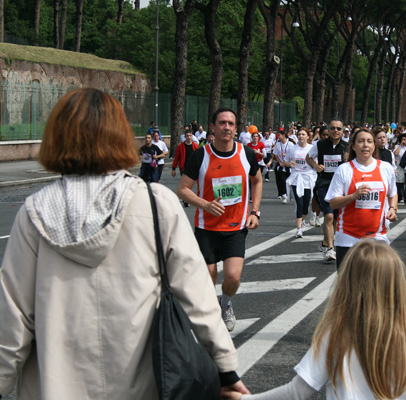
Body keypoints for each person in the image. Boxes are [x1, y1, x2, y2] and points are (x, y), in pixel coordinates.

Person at [0, 88, 248, 399]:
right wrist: (225, 367)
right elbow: (198, 297)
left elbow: (13, 318)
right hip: (143, 384)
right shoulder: (156, 202)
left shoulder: (33, 214)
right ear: (120, 136)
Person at [222, 240, 406, 400]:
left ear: (347, 284)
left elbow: (296, 392)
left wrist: (244, 399)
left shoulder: (336, 336)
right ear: (397, 287)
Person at [177, 108, 262, 332]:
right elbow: (182, 189)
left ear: (236, 129)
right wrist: (204, 204)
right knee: (209, 275)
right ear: (212, 127)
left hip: (236, 227)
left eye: (231, 124)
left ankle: (225, 303)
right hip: (207, 227)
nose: (226, 127)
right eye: (222, 123)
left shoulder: (246, 154)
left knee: (233, 277)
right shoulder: (200, 155)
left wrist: (255, 212)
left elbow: (257, 181)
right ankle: (207, 312)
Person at [325, 128, 398, 268]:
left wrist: (393, 209)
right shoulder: (344, 169)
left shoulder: (385, 168)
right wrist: (354, 195)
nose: (365, 145)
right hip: (348, 237)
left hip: (377, 236)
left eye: (369, 141)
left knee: (376, 284)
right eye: (361, 141)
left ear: (374, 145)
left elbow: (393, 193)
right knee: (349, 286)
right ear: (353, 146)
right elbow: (333, 203)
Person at [306, 118, 349, 262]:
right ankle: (330, 249)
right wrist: (316, 166)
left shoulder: (347, 146)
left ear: (343, 131)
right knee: (329, 216)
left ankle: (326, 241)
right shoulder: (319, 145)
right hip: (324, 183)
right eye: (333, 128)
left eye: (339, 128)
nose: (335, 131)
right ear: (328, 131)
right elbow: (308, 158)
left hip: (340, 186)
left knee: (335, 217)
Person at [284, 128, 317, 238]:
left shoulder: (312, 148)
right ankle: (299, 229)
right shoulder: (292, 149)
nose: (301, 136)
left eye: (303, 134)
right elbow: (285, 161)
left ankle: (302, 221)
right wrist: (290, 164)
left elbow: (316, 162)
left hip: (308, 177)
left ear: (308, 136)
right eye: (299, 134)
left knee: (306, 205)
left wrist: (316, 165)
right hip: (296, 177)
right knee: (299, 203)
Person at [394, 133, 406, 205]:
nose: (403, 141)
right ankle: (399, 197)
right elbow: (396, 154)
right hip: (400, 168)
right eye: (402, 139)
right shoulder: (397, 146)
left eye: (405, 139)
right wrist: (400, 145)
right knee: (399, 185)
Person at [273, 129, 292, 203]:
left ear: (283, 135)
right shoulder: (278, 144)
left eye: (279, 135)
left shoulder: (290, 144)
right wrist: (280, 162)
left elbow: (293, 155)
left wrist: (286, 156)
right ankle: (284, 195)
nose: (278, 137)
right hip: (281, 165)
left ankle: (288, 194)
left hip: (289, 165)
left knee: (288, 182)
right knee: (281, 181)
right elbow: (276, 155)